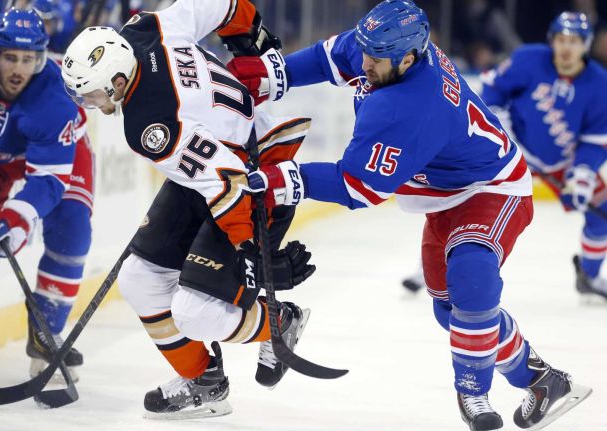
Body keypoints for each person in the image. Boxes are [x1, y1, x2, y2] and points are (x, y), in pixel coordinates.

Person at [228, 1, 592, 430]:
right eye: (365, 52)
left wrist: (287, 177)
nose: (364, 63)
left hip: (491, 188)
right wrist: (273, 75)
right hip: (441, 195)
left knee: (472, 277)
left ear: (408, 58)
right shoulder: (384, 47)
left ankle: (473, 394)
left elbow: (358, 186)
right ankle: (544, 381)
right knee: (451, 312)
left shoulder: (411, 105)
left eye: (375, 59)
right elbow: (329, 59)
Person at [61, 0, 316, 418]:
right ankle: (204, 381)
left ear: (118, 80)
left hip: (255, 182)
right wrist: (248, 33)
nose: (89, 103)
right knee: (139, 279)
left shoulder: (150, 125)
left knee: (194, 314)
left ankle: (280, 322)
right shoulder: (145, 30)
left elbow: (227, 183)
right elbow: (222, 4)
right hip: (218, 161)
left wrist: (250, 249)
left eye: (91, 94)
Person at [0, 8, 94, 382]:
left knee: (72, 230)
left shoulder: (56, 98)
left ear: (41, 58)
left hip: (57, 156)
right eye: (10, 58)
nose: (18, 70)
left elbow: (49, 181)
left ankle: (47, 334)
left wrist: (18, 220)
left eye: (28, 59)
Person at [480, 12, 607, 301]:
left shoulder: (601, 85)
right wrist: (497, 121)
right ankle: (434, 269)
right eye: (561, 39)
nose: (566, 47)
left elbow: (594, 141)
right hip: (509, 152)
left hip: (561, 162)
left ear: (586, 44)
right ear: (552, 40)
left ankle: (589, 276)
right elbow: (493, 86)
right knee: (471, 203)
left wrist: (583, 175)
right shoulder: (529, 59)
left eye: (574, 41)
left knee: (603, 212)